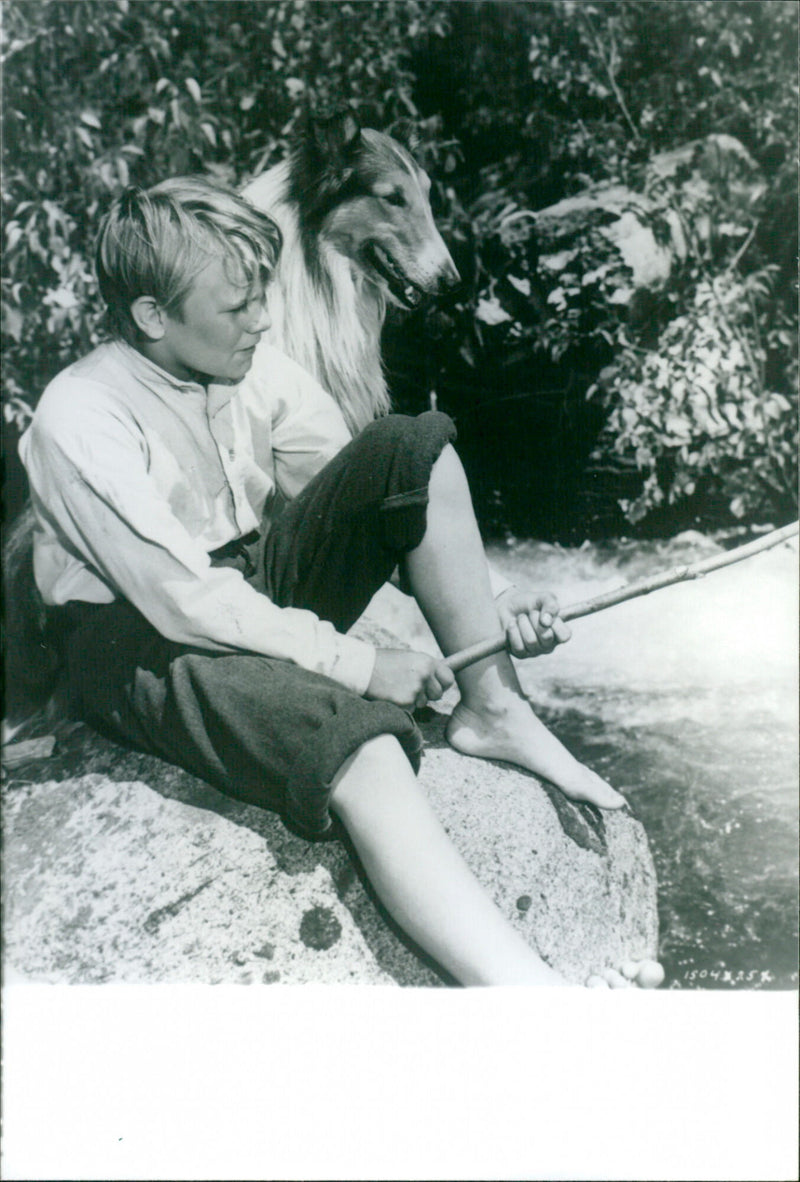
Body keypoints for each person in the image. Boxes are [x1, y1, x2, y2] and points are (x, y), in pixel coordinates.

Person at [19, 178, 658, 988]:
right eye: (236, 307)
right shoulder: (79, 415)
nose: (262, 320)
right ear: (151, 317)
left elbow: (375, 494)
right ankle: (531, 997)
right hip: (132, 632)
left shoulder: (254, 364)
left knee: (412, 447)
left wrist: (495, 604)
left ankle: (494, 709)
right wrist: (356, 664)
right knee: (353, 735)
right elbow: (184, 600)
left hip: (248, 577)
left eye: (261, 297)